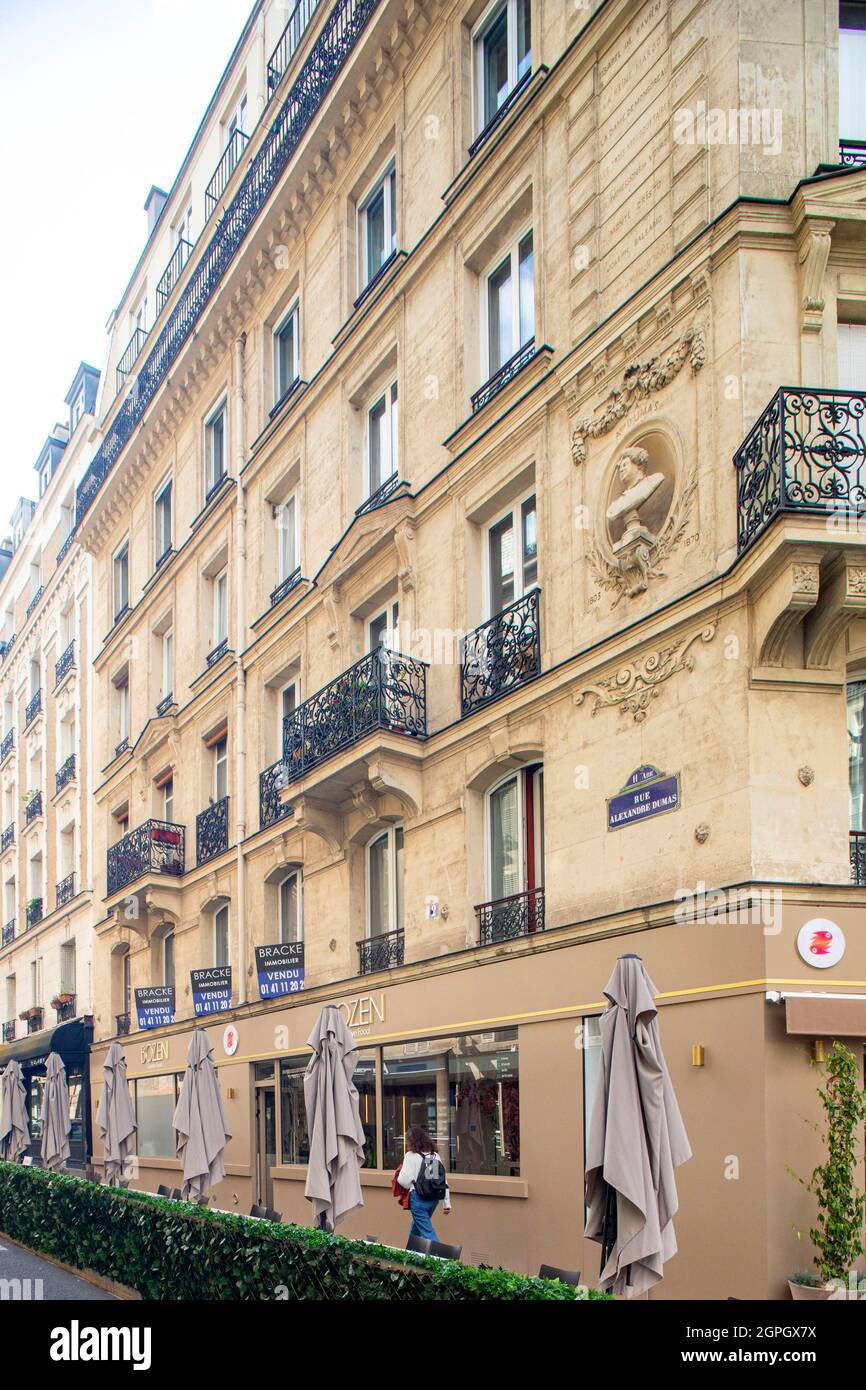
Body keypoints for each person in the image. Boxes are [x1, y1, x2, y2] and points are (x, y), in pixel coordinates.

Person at [397, 1125, 451, 1241]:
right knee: (416, 1229)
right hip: (433, 1200)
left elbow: (403, 1181)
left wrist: (408, 1182)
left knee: (427, 1232)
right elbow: (442, 1182)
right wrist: (446, 1204)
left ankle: (439, 1257)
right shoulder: (434, 1155)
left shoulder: (410, 1156)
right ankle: (411, 1254)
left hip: (418, 1199)